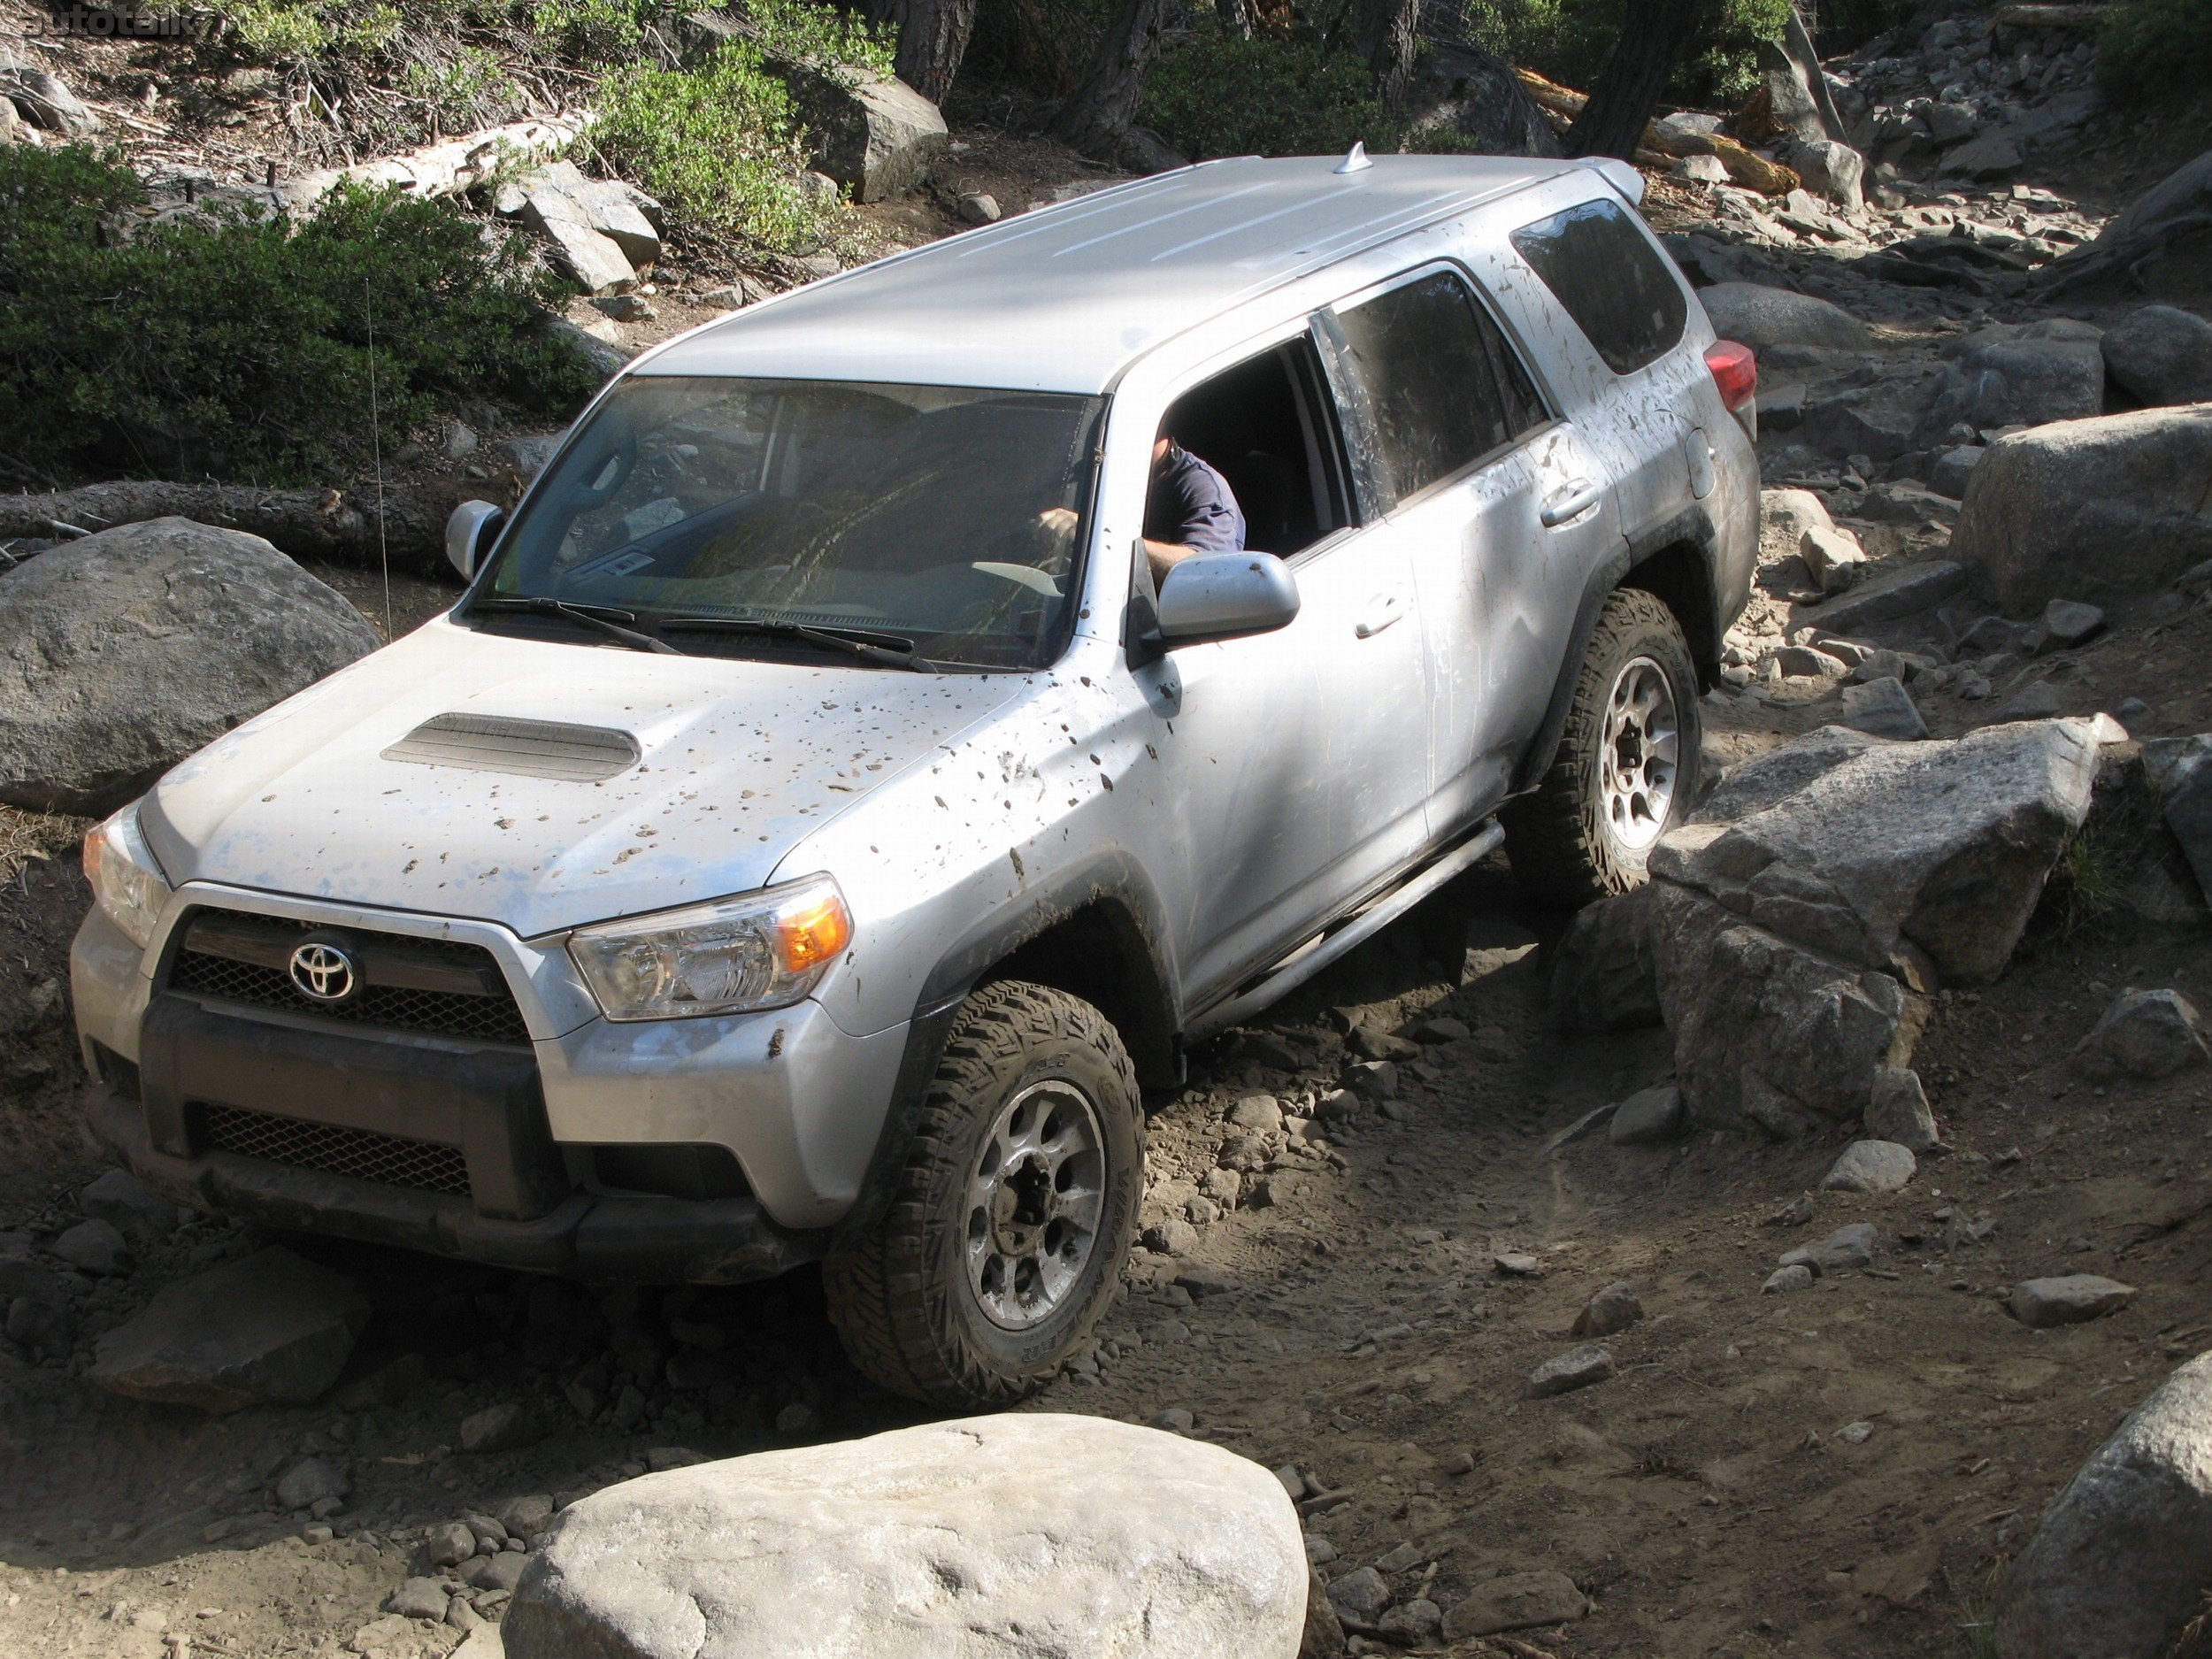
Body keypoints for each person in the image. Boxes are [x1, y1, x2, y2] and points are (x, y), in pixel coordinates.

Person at [1030, 434, 1246, 588]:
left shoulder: (1202, 487)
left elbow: (1206, 571)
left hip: (1162, 634)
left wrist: (1094, 535)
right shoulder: (1086, 475)